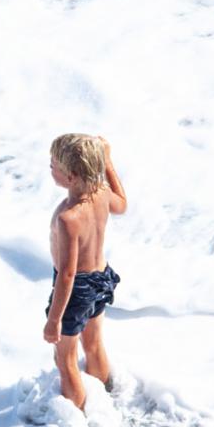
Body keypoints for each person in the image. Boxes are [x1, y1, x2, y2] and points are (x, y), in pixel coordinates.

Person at [44, 134, 128, 409]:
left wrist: (54, 320)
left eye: (54, 165)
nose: (50, 166)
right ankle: (108, 399)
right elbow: (122, 205)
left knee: (65, 359)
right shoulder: (101, 193)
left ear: (70, 177)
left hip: (76, 288)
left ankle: (79, 418)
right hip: (101, 279)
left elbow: (67, 274)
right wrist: (108, 162)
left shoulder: (68, 217)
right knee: (93, 343)